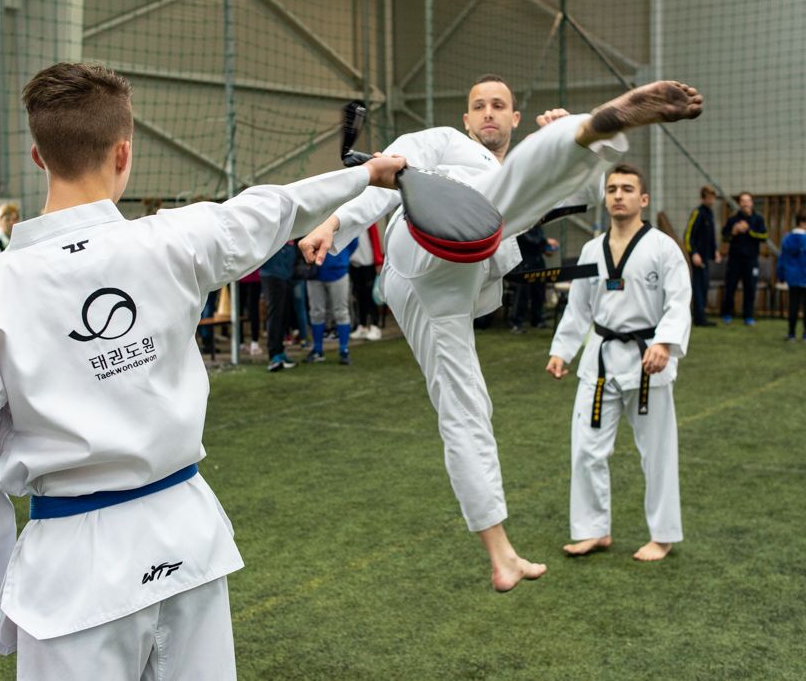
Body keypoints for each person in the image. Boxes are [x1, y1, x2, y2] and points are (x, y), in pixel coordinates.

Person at [0, 62, 405, 677]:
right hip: (186, 540)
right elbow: (277, 207)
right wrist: (367, 172)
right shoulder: (176, 239)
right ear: (124, 152)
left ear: (40, 157)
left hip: (73, 572)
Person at [301, 77, 703, 590]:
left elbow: (576, 192)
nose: (487, 112)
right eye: (478, 106)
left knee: (466, 409)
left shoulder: (512, 171)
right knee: (494, 195)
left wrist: (569, 141)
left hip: (458, 279)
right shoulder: (444, 143)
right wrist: (335, 222)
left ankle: (502, 554)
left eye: (499, 106)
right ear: (466, 119)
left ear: (516, 120)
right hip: (419, 242)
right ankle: (589, 132)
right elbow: (387, 174)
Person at [546, 163, 691, 562]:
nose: (618, 195)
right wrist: (562, 350)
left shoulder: (662, 247)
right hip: (601, 359)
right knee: (586, 449)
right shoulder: (592, 250)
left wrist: (664, 343)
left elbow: (680, 302)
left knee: (657, 452)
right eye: (612, 189)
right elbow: (577, 308)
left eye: (627, 189)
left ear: (643, 199)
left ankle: (662, 535)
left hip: (649, 361)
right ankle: (593, 530)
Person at [305, 239, 357, 364]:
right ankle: (318, 349)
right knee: (316, 312)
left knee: (341, 312)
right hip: (315, 272)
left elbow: (353, 240)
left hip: (338, 271)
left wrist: (341, 258)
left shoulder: (340, 219)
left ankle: (344, 350)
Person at [720, 192, 767, 325]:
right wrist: (734, 232)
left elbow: (764, 237)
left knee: (750, 287)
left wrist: (749, 230)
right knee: (730, 286)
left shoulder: (758, 219)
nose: (745, 203)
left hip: (751, 259)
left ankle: (748, 316)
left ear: (751, 203)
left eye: (748, 201)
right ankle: (727, 313)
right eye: (743, 201)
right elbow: (724, 237)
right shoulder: (733, 219)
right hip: (734, 259)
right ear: (740, 203)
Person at [508, 224, 558, 333]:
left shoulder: (538, 224)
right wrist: (546, 241)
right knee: (523, 293)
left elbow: (538, 243)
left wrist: (546, 250)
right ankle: (516, 323)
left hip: (537, 260)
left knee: (539, 291)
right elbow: (529, 239)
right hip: (524, 262)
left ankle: (537, 320)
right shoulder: (524, 222)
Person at [684, 185, 721, 326]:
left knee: (704, 286)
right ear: (703, 198)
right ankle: (699, 318)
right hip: (698, 257)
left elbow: (710, 236)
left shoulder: (709, 213)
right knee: (698, 287)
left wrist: (715, 251)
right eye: (709, 198)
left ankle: (702, 316)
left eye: (713, 198)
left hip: (706, 257)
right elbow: (688, 235)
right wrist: (694, 253)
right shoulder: (697, 213)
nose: (712, 201)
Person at [260, 242, 299, 371]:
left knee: (284, 315)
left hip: (285, 274)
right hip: (272, 274)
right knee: (275, 314)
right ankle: (274, 355)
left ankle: (280, 352)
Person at [349, 224, 384, 341]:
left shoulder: (369, 219)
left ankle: (375, 326)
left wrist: (378, 260)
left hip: (368, 261)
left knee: (370, 296)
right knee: (359, 295)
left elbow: (375, 238)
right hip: (354, 262)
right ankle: (362, 325)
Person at [777, 210, 806, 340]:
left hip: (792, 277)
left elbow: (781, 260)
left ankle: (791, 334)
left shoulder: (786, 238)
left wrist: (781, 276)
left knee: (793, 305)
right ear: (803, 223)